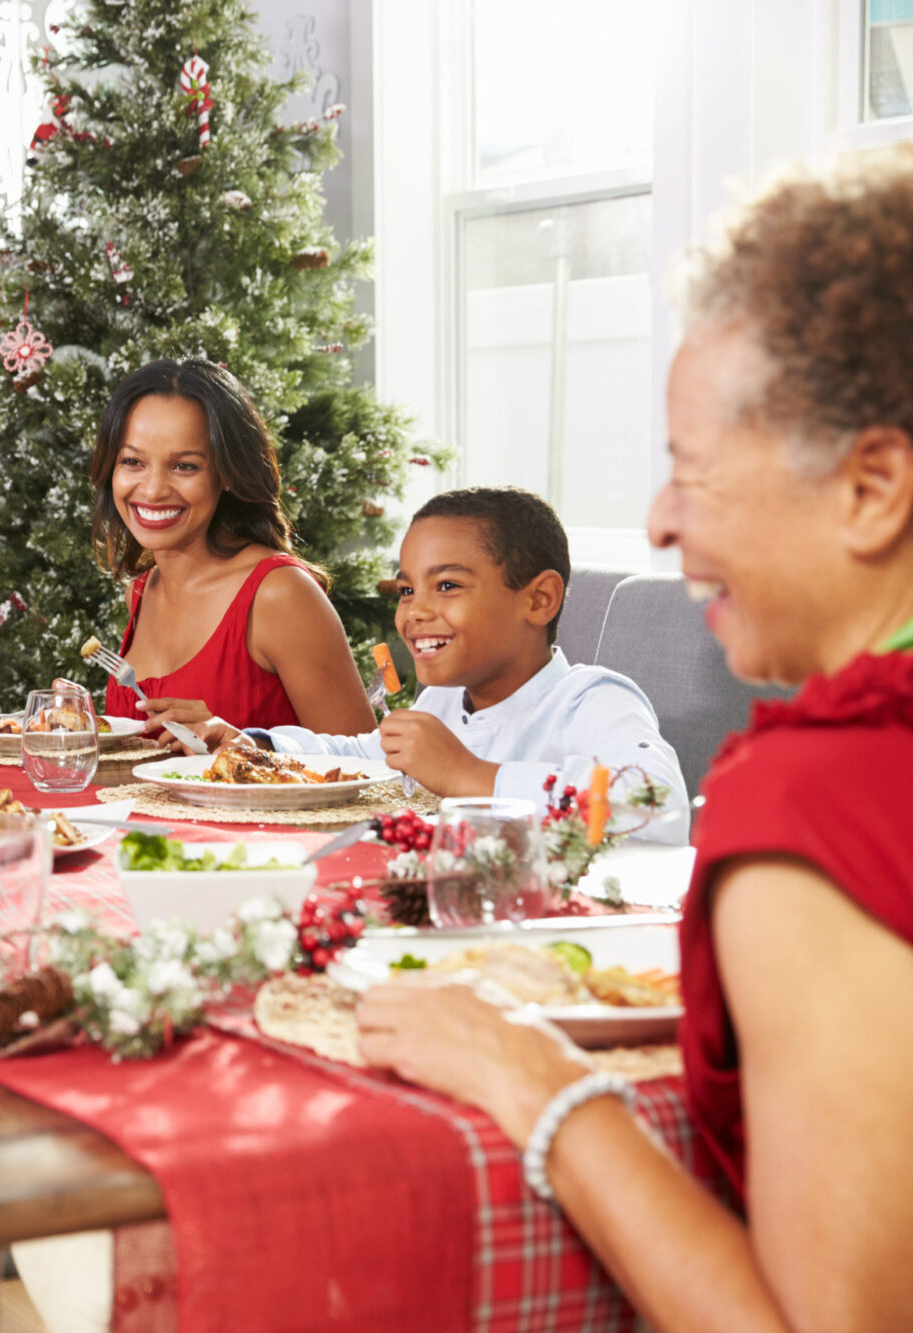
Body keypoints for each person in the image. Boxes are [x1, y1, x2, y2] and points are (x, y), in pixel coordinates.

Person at [357, 146, 913, 1329]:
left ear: (870, 488)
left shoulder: (814, 800)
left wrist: (534, 1078)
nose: (658, 522)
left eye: (693, 475)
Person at [190, 485, 689, 840]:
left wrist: (471, 775)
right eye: (407, 590)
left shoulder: (590, 700)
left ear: (539, 600)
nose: (415, 612)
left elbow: (659, 802)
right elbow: (366, 756)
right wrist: (259, 744)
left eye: (447, 585)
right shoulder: (445, 700)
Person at [88, 359, 376, 736]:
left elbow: (369, 770)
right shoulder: (141, 592)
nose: (154, 489)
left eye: (184, 466)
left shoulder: (279, 594)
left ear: (225, 473)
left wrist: (247, 747)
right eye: (132, 461)